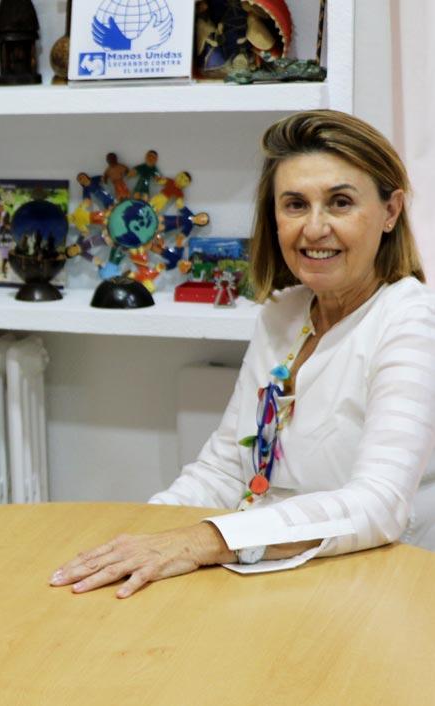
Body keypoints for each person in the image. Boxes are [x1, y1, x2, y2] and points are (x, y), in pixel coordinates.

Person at [50, 110, 435, 598]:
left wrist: (202, 541)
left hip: (373, 587)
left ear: (390, 211)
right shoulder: (282, 312)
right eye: (295, 205)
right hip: (270, 572)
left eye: (340, 203)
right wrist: (138, 539)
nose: (315, 228)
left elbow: (379, 504)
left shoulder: (413, 321)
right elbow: (224, 468)